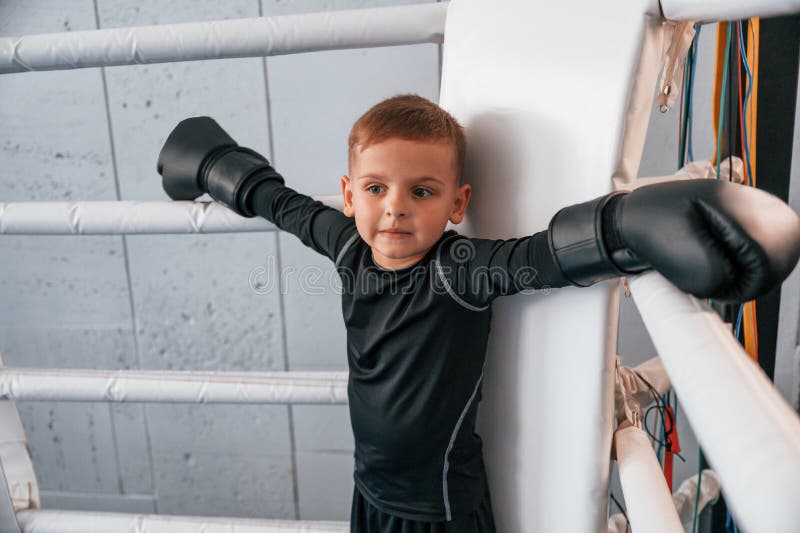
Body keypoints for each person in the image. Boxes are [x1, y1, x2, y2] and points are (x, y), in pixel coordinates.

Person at [156, 94, 800, 532]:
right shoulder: (348, 245)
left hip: (442, 507)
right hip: (369, 493)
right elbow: (284, 205)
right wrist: (213, 165)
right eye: (376, 188)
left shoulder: (458, 269)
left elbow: (540, 257)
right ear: (350, 196)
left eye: (422, 191)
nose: (395, 207)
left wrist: (627, 228)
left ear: (457, 204)